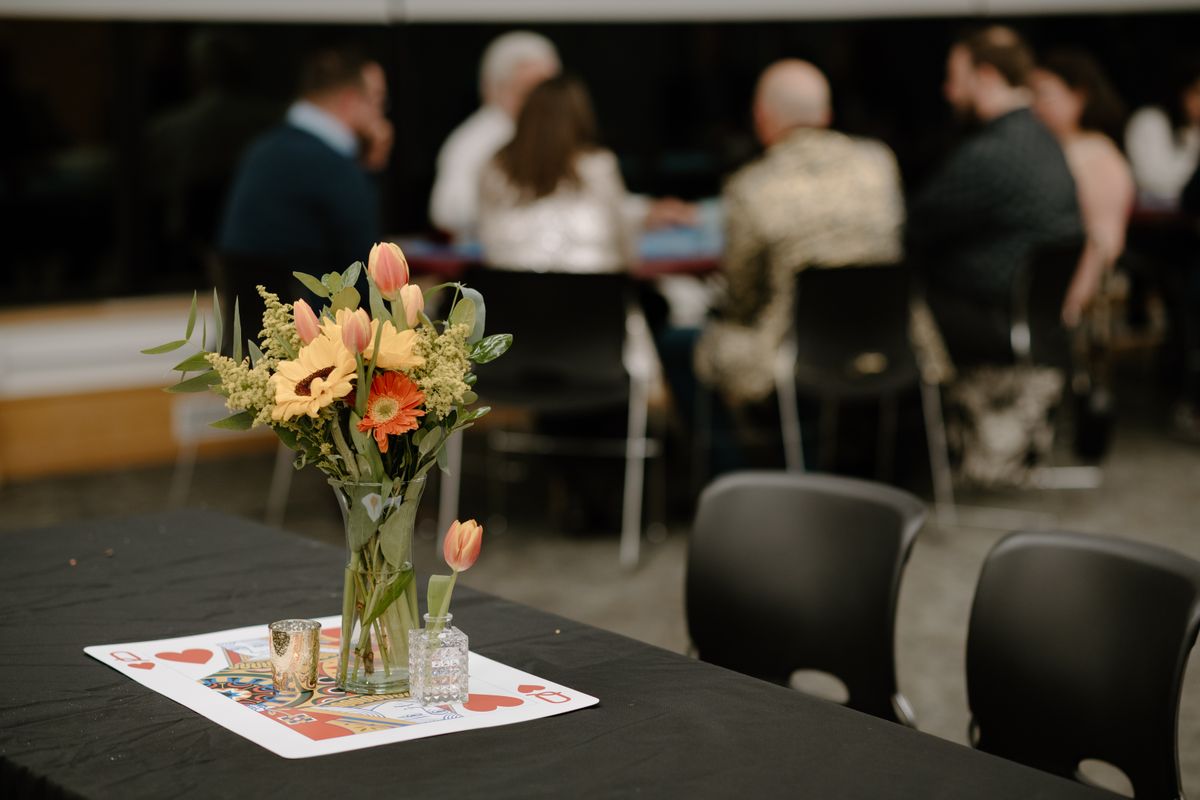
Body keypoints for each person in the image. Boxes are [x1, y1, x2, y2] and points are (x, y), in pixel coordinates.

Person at [693, 59, 905, 407]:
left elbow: (742, 298)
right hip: (888, 349)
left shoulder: (752, 186)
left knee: (698, 347)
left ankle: (747, 459)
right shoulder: (879, 163)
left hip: (794, 357)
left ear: (761, 117)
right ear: (826, 113)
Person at [908, 26, 1082, 366]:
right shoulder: (1042, 138)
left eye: (955, 79)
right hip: (1036, 320)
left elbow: (916, 227)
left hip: (990, 319)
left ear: (985, 76)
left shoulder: (991, 152)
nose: (948, 91)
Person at [429, 30, 693, 242]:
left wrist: (646, 212)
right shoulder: (479, 142)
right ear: (496, 89)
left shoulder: (573, 147)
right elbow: (448, 212)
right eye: (532, 92)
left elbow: (593, 201)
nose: (546, 103)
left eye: (551, 91)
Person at [218, 46, 392, 333]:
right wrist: (371, 171)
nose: (381, 116)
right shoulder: (335, 167)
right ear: (349, 101)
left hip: (249, 341)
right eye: (377, 101)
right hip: (313, 349)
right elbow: (367, 276)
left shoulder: (261, 150)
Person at [477, 75, 636, 272]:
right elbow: (626, 250)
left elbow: (486, 241)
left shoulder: (495, 168)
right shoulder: (599, 165)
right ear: (581, 115)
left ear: (526, 114)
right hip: (593, 295)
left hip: (511, 296)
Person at [1030, 49, 1134, 327]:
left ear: (1079, 96)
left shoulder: (1095, 153)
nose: (1035, 105)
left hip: (1077, 299)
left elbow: (1103, 239)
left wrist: (1075, 302)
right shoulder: (1053, 148)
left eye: (1044, 94)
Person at [1125, 65, 1200, 210]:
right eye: (1197, 92)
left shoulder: (1194, 131)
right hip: (1157, 220)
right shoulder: (1150, 120)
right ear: (1184, 92)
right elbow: (1153, 182)